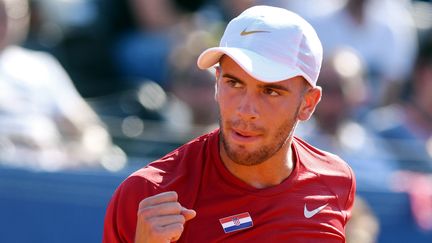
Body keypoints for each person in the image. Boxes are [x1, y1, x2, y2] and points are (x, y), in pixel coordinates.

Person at [103, 5, 356, 242]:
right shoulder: (146, 193)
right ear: (217, 82)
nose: (246, 110)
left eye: (270, 91)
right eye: (234, 83)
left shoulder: (337, 182)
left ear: (308, 103)